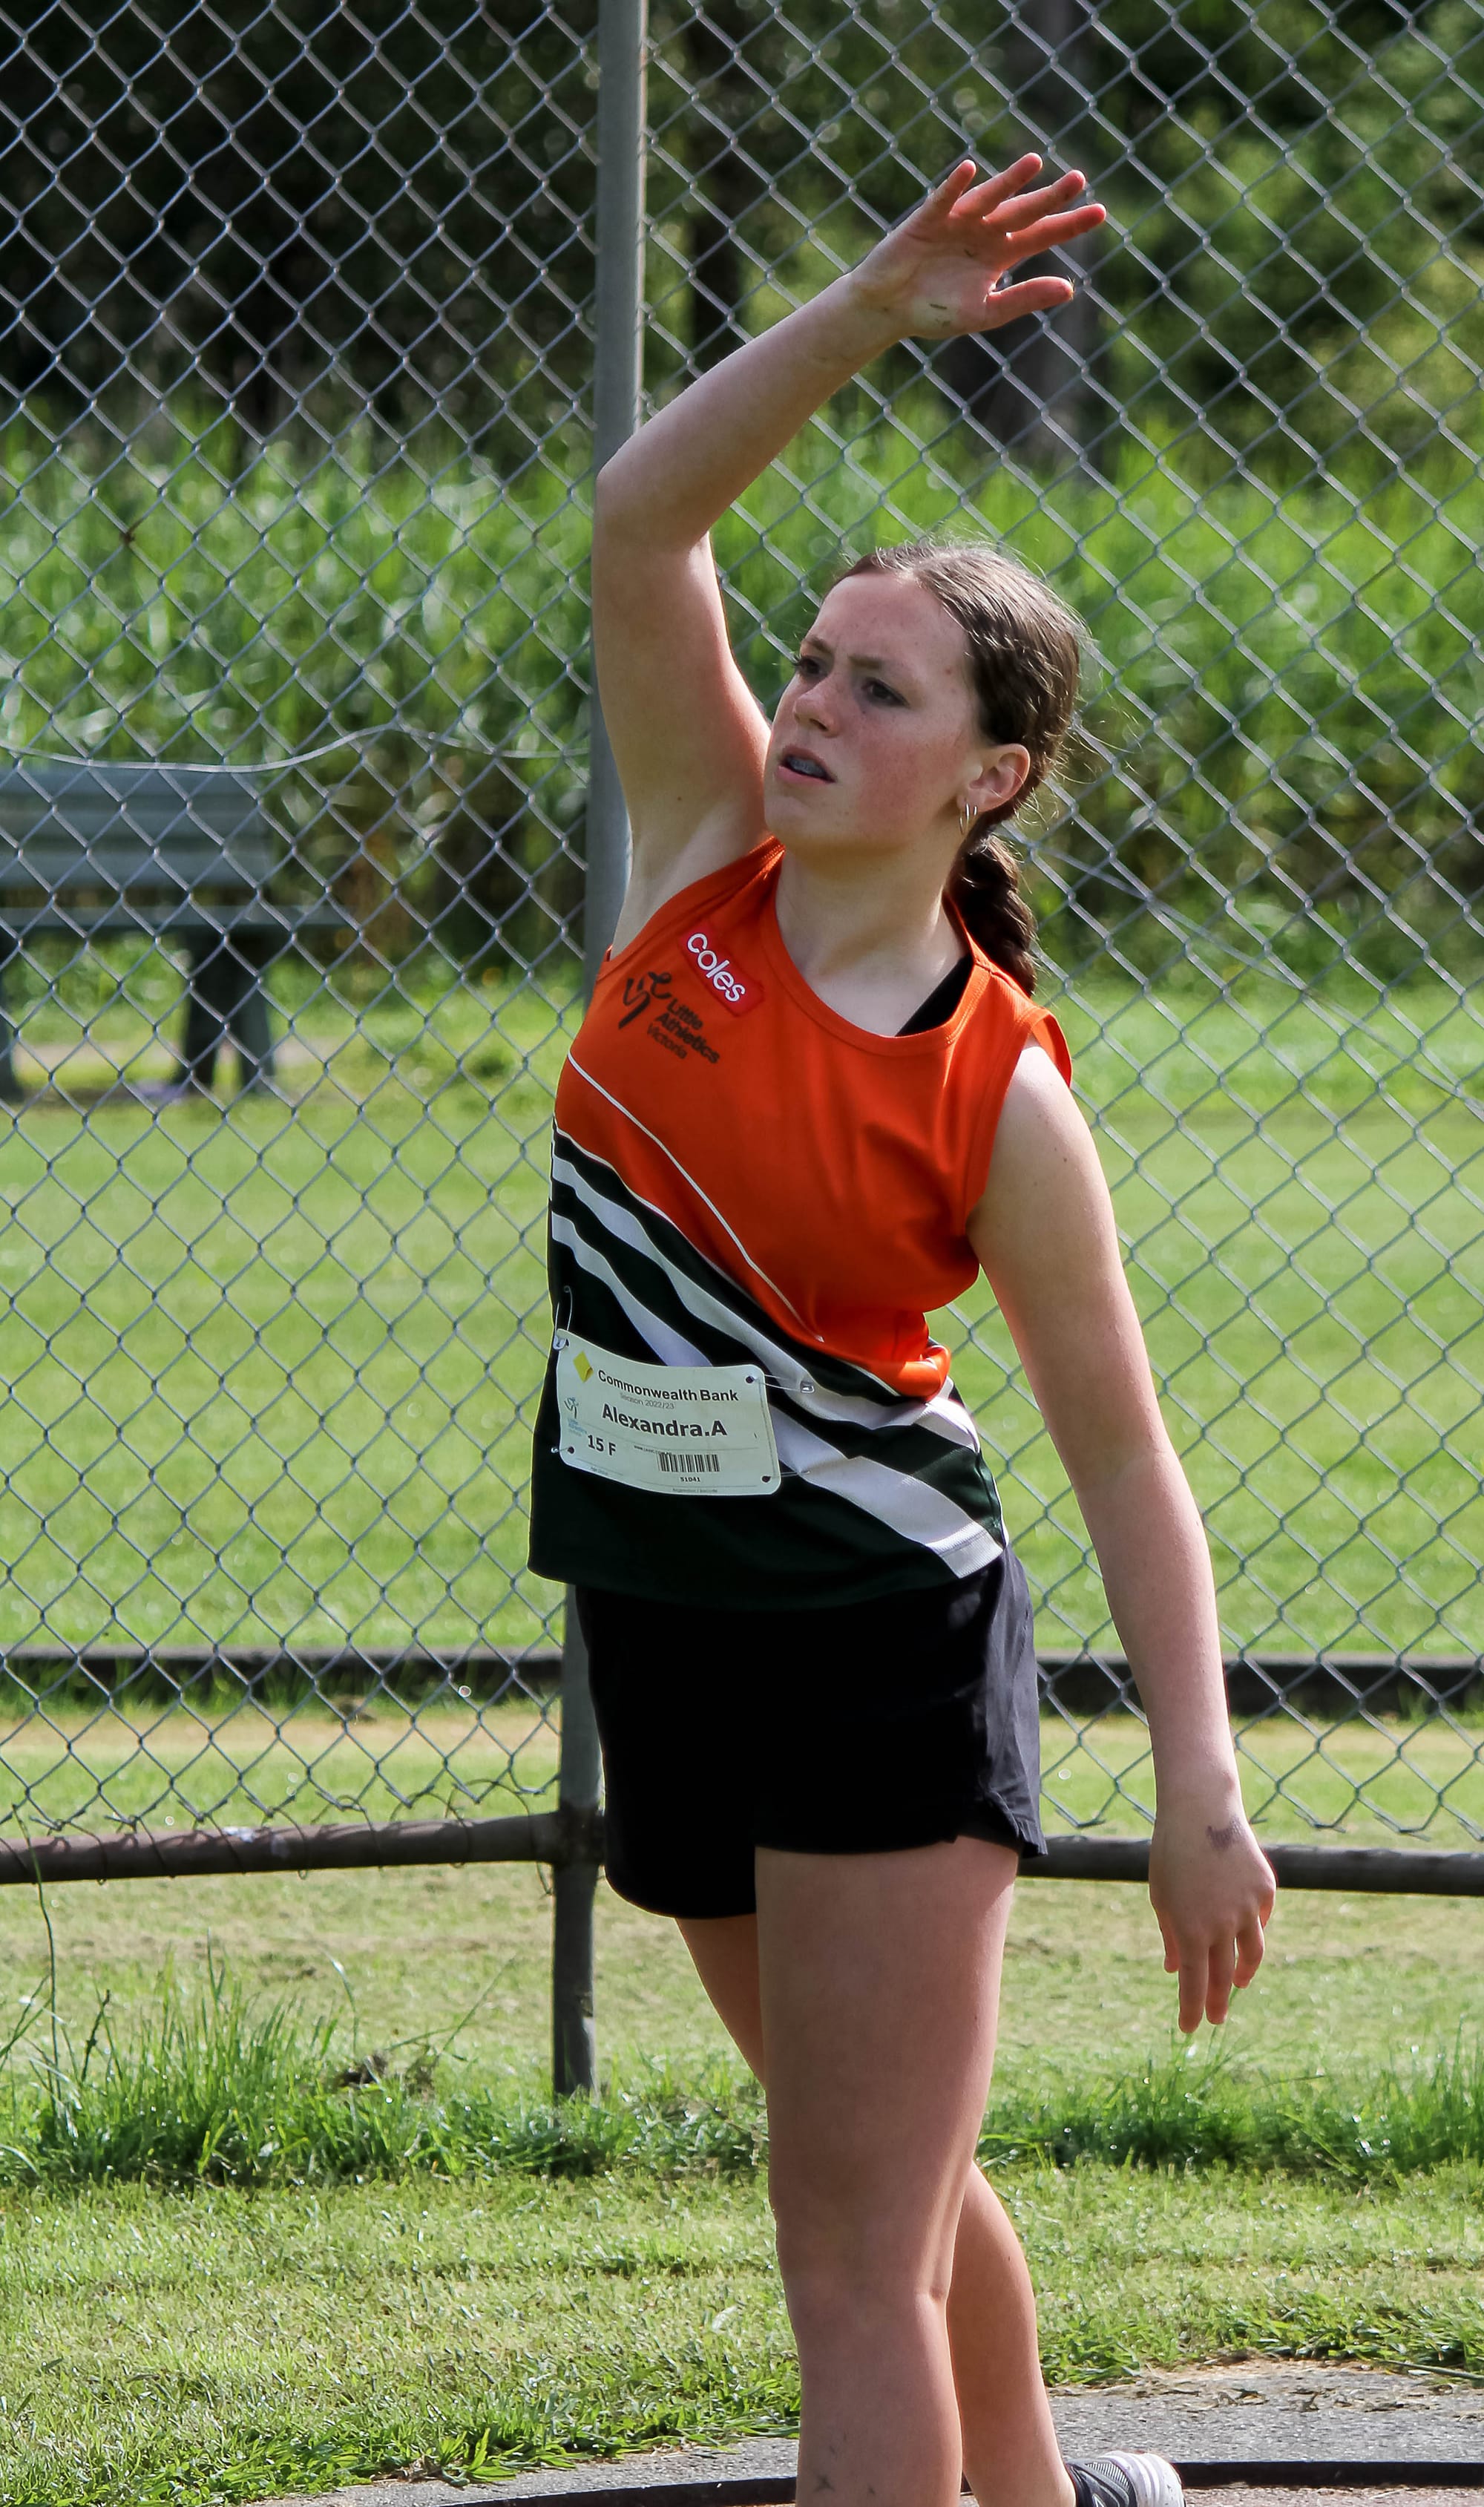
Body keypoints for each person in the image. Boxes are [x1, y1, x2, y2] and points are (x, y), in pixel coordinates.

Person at [530, 156, 1276, 2507]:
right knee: (894, 2183)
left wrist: (1200, 1784)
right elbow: (642, 522)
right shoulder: (698, 861)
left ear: (991, 772)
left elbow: (1123, 1453)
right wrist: (864, 308)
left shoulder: (999, 1088)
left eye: (879, 684)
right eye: (813, 661)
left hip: (874, 1642)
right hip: (666, 1611)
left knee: (844, 2254)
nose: (815, 703)